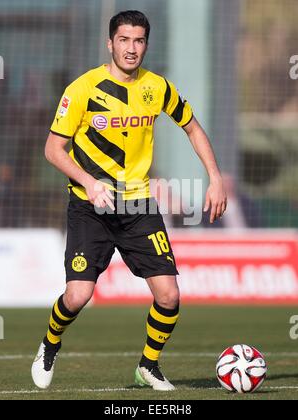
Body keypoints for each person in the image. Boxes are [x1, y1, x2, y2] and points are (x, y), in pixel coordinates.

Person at [31, 10, 227, 392]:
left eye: (138, 41)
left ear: (146, 45)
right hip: (90, 206)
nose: (131, 48)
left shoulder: (157, 88)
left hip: (137, 205)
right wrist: (89, 182)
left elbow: (192, 127)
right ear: (110, 43)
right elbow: (53, 149)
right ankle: (50, 343)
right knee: (78, 295)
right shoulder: (83, 88)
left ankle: (148, 366)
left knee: (169, 295)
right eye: (124, 40)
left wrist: (215, 178)